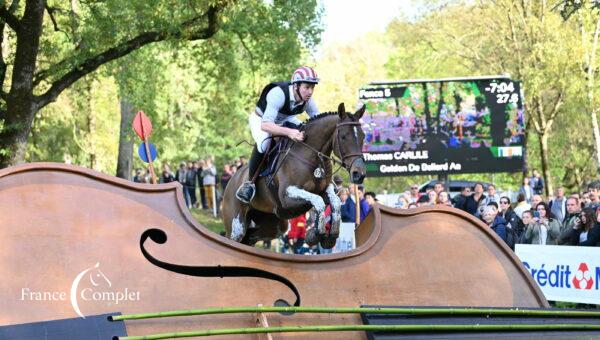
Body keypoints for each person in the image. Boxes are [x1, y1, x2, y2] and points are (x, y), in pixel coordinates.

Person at [236, 66, 320, 203]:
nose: (310, 92)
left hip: (284, 118)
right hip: (261, 119)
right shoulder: (278, 94)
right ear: (296, 85)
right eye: (307, 87)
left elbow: (317, 121)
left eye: (312, 88)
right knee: (264, 143)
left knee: (305, 132)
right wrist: (289, 132)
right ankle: (249, 183)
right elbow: (266, 125)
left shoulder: (308, 100)